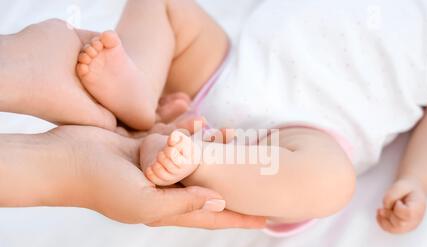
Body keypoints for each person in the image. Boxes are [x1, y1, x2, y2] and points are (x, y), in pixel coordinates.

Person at [76, 0, 427, 235]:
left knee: (332, 183)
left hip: (302, 134)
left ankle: (202, 159)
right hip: (233, 68)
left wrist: (416, 179)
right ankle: (140, 96)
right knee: (163, 4)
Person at [0, 19, 266, 230]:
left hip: (285, 127)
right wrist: (75, 169)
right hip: (244, 62)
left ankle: (24, 65)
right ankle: (138, 94)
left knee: (304, 176)